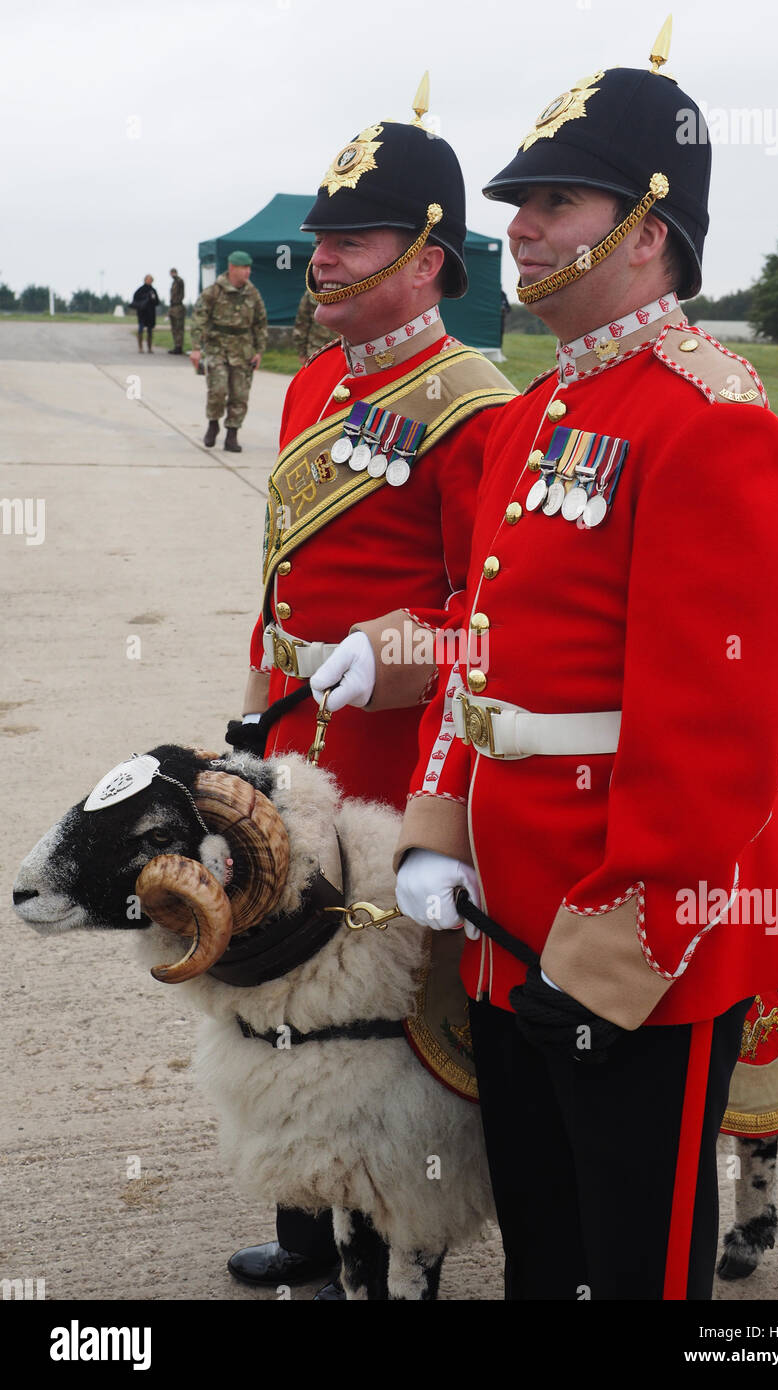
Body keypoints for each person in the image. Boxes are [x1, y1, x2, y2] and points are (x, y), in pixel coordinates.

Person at [393, 26, 778, 1300]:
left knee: (637, 1265)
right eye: (517, 201)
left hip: (629, 926)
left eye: (553, 200)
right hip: (506, 907)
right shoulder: (537, 412)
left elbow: (720, 731)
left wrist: (617, 944)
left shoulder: (709, 423)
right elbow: (481, 636)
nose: (518, 225)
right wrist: (437, 827)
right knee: (544, 1247)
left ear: (647, 225)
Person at [225, 87, 515, 1299]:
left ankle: (406, 1244)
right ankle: (304, 1224)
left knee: (387, 1023)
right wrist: (251, 711)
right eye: (323, 238)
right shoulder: (317, 385)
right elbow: (283, 579)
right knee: (279, 975)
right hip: (299, 738)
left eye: (350, 241)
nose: (319, 258)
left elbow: (487, 622)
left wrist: (393, 658)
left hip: (400, 759)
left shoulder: (475, 409)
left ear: (427, 260)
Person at [190, 251, 268, 452]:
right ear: (232, 268)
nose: (248, 272)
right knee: (218, 390)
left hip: (243, 351)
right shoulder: (213, 292)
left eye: (249, 268)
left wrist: (259, 351)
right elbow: (199, 319)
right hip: (217, 349)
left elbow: (260, 323)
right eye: (244, 268)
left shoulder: (253, 293)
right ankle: (213, 424)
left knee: (240, 395)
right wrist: (196, 349)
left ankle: (232, 435)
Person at [292, 286, 333, 361]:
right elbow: (302, 322)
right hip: (316, 351)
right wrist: (302, 352)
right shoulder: (311, 292)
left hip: (344, 351)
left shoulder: (351, 289)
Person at [131, 275, 158, 353]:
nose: (149, 281)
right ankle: (140, 348)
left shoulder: (153, 290)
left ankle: (149, 348)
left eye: (150, 280)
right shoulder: (140, 290)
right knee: (140, 330)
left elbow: (157, 302)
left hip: (150, 314)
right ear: (145, 280)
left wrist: (152, 299)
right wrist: (144, 299)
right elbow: (135, 299)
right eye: (148, 279)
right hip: (142, 313)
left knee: (150, 331)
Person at [167, 268, 185, 353]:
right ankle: (176, 345)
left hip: (178, 307)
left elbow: (180, 282)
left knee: (179, 328)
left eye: (174, 273)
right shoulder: (173, 283)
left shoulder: (179, 281)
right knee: (174, 328)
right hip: (173, 307)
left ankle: (179, 347)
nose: (172, 275)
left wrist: (176, 276)